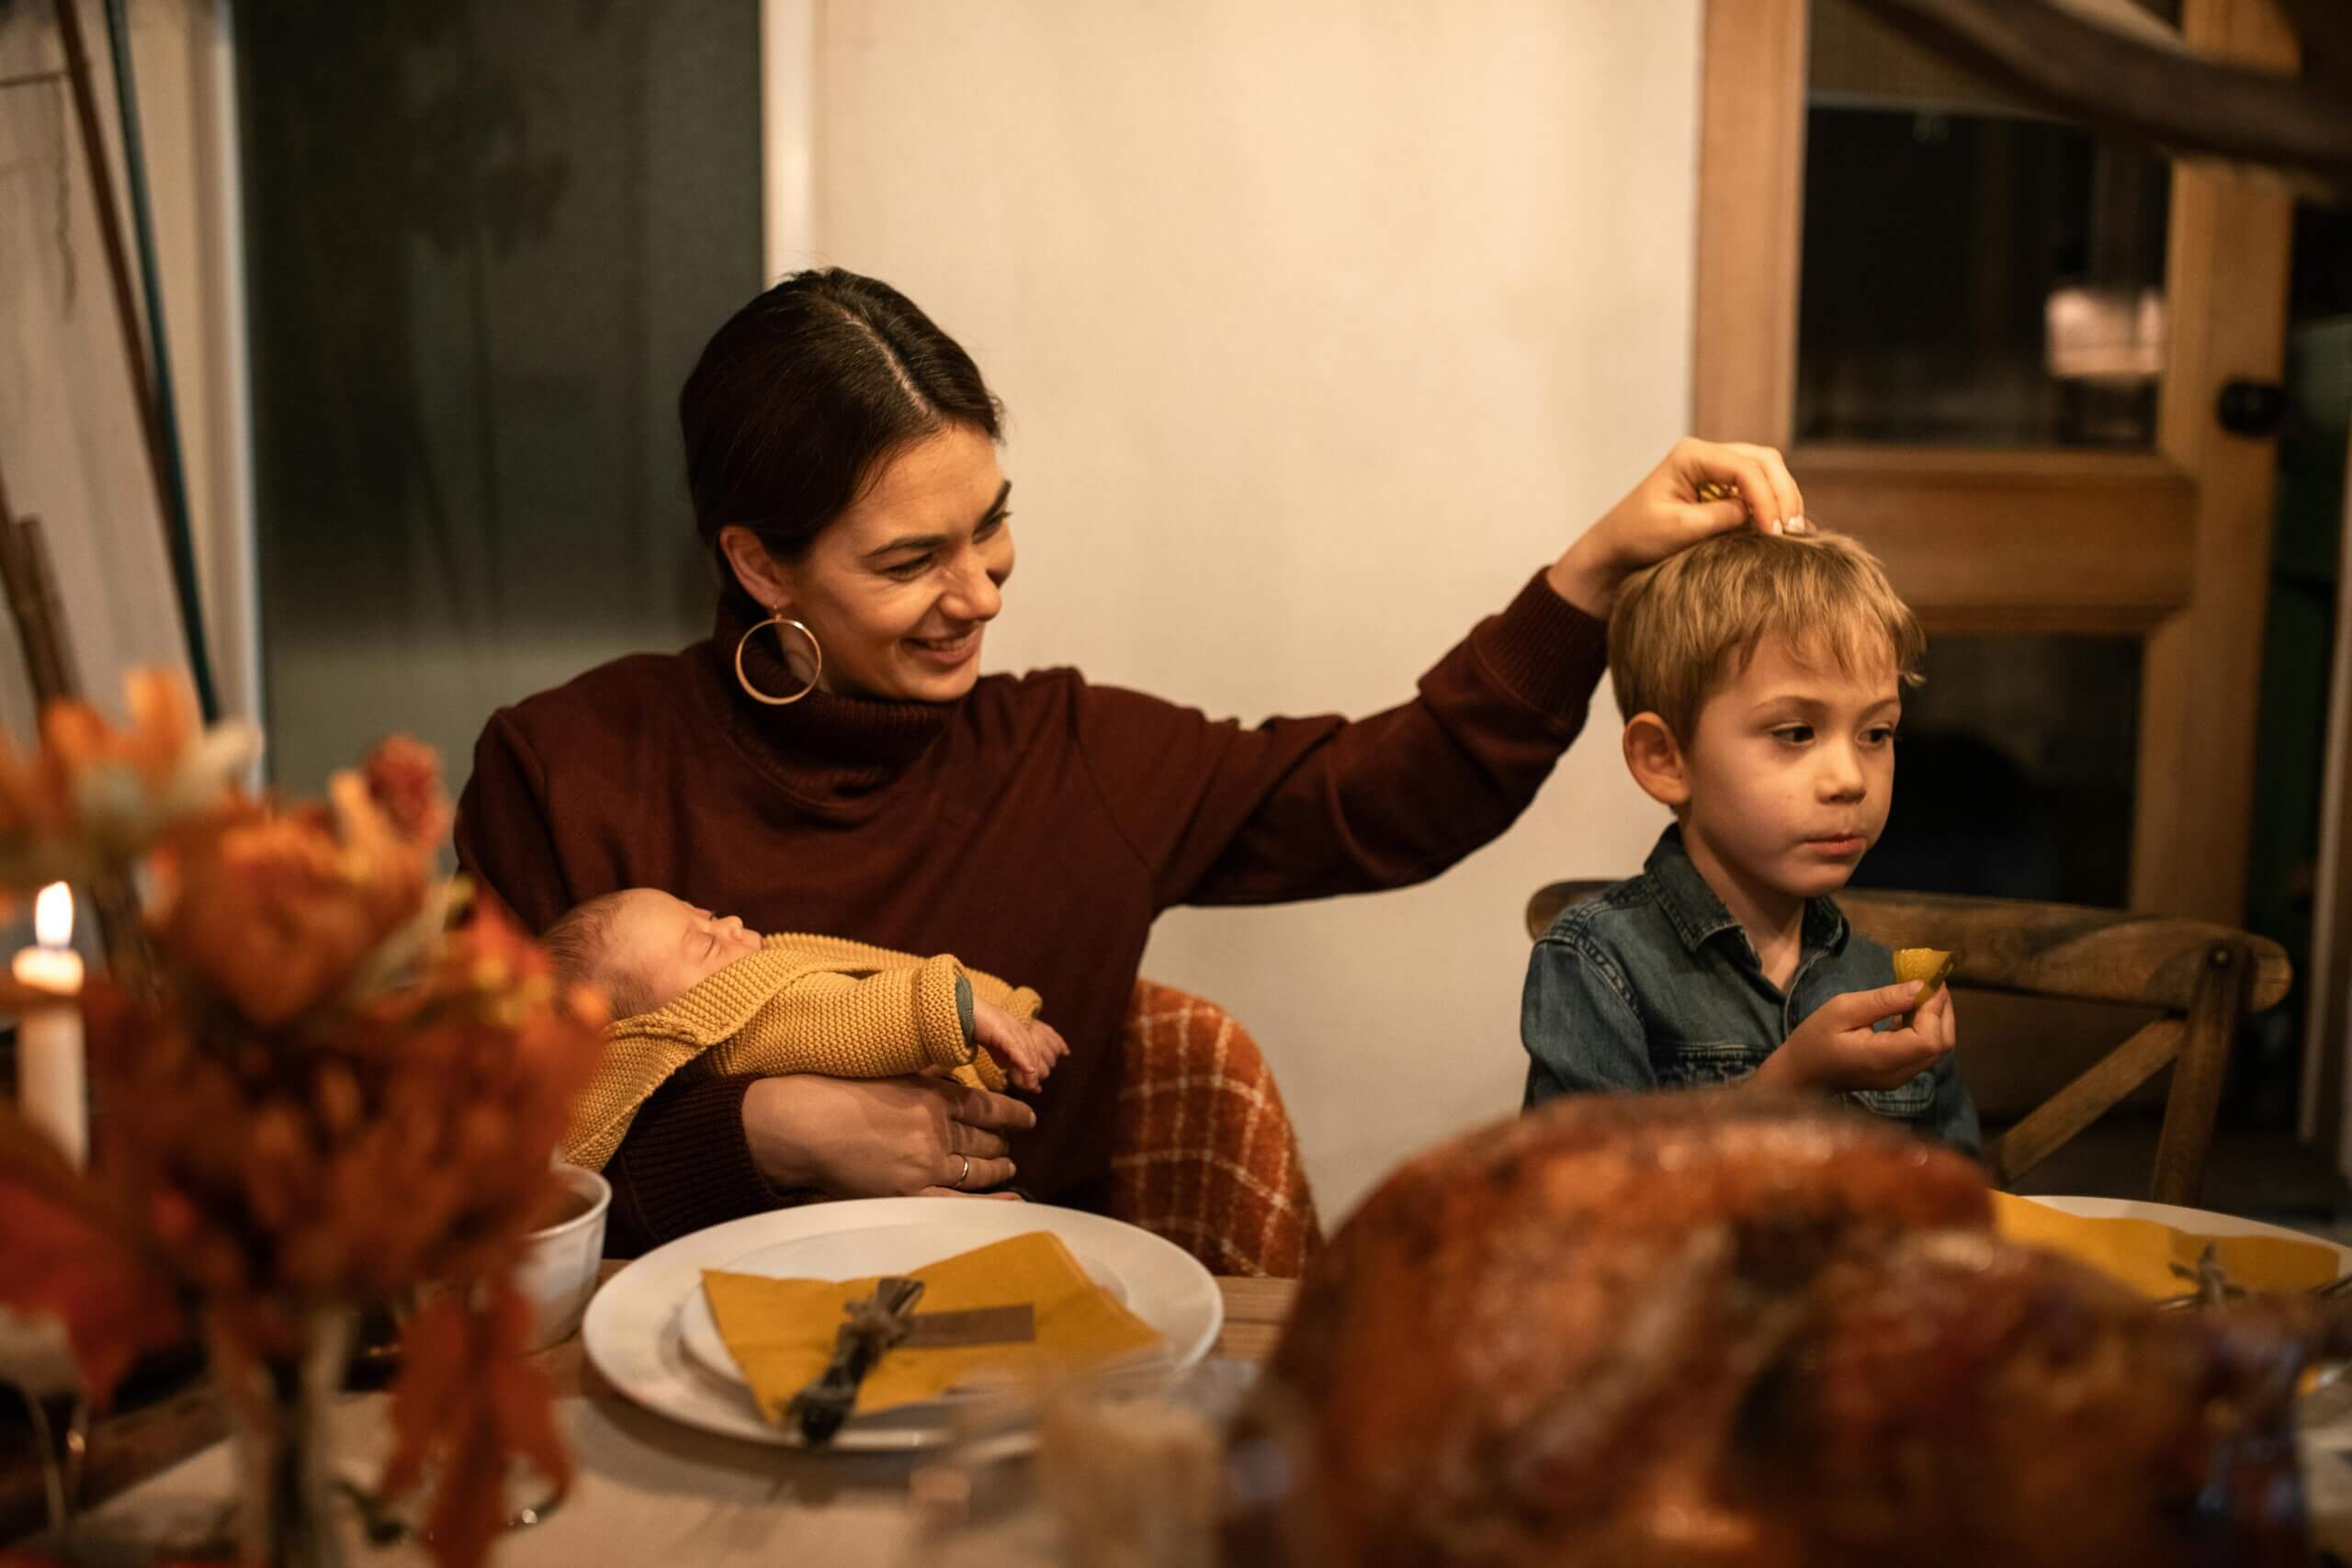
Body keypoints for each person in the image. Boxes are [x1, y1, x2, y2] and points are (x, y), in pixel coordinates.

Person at [455, 266, 1813, 1254]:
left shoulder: (1070, 756)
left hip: (1010, 1390)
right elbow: (475, 1187)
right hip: (664, 1399)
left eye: (990, 527)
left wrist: (1592, 573)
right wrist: (769, 1132)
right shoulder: (565, 772)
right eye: (910, 560)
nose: (980, 591)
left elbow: (1400, 798)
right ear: (758, 563)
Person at [1519, 528, 1980, 1150]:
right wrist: (1781, 1090)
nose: (1850, 779)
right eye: (1795, 732)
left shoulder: (1880, 977)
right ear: (1665, 758)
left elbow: (1963, 1199)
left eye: (1876, 733)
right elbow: (1577, 1208)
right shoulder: (1600, 962)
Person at [542, 887, 1066, 1176]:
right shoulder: (737, 1018)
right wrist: (959, 1010)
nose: (729, 925)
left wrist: (1004, 1010)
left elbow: (874, 970)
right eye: (704, 944)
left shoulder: (758, 974)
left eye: (708, 916)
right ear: (654, 1025)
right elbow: (853, 1013)